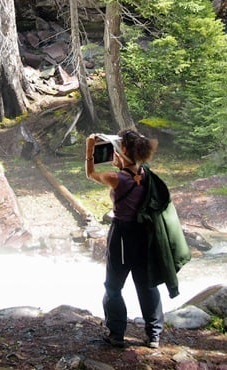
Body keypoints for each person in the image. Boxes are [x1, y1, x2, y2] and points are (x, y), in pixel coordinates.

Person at [85, 129, 163, 349]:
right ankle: (154, 335)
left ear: (125, 150)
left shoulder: (116, 178)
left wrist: (90, 149)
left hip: (122, 235)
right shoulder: (147, 175)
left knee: (113, 286)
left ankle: (116, 333)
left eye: (118, 148)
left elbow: (90, 173)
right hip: (144, 235)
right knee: (146, 285)